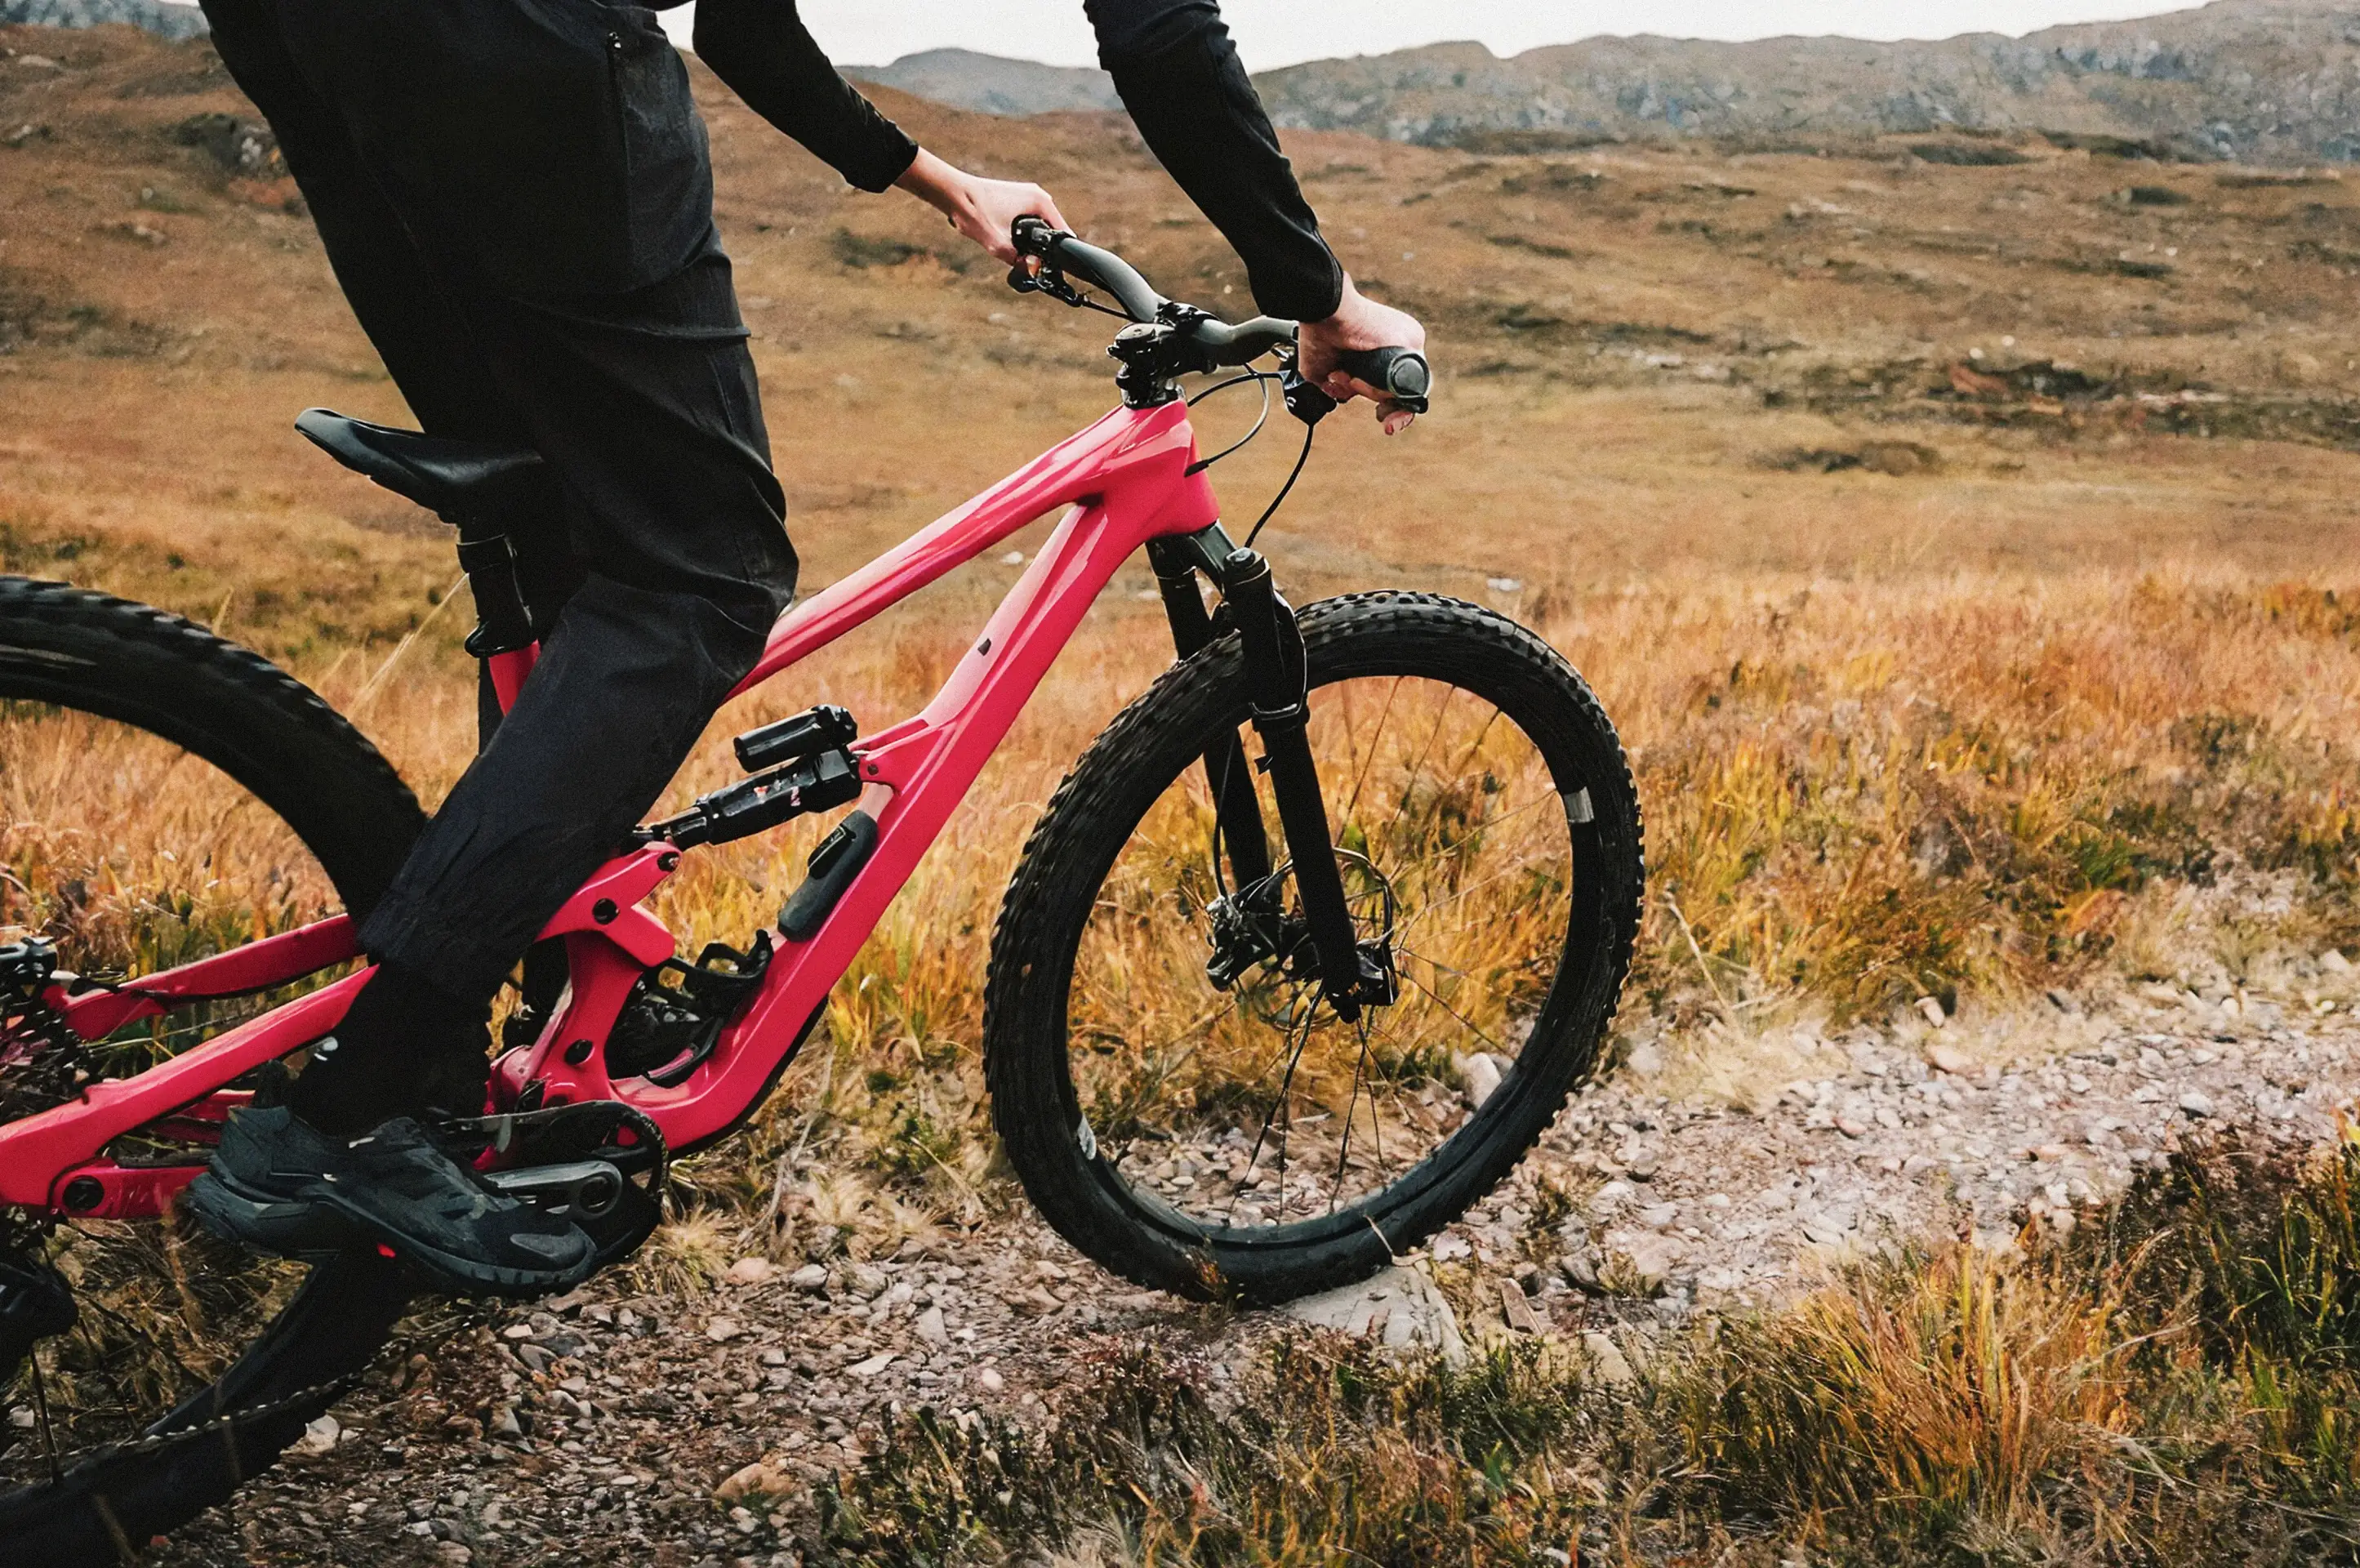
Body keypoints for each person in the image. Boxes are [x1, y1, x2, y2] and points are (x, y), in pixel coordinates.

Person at [187, 0, 1427, 1294]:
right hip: (525, 49)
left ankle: (501, 1038)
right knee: (700, 581)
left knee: (573, 527)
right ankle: (356, 1106)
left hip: (309, 32)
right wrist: (1317, 298)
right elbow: (1162, 33)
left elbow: (741, 22)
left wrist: (942, 184)